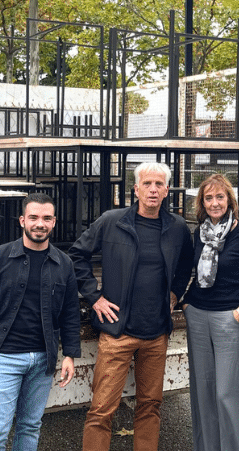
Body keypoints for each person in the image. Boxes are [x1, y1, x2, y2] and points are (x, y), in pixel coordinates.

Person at [70, 162, 193, 450]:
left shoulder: (177, 227)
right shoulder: (112, 221)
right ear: (135, 189)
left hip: (157, 332)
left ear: (166, 191)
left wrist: (176, 292)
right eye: (147, 184)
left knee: (150, 407)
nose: (153, 189)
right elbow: (77, 255)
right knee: (101, 410)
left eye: (159, 184)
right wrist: (94, 296)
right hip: (117, 333)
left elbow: (187, 263)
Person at [0, 192, 80, 450]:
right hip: (3, 357)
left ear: (54, 222)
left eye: (47, 218)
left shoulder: (63, 263)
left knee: (30, 427)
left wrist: (70, 354)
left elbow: (70, 313)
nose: (40, 223)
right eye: (34, 217)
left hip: (43, 359)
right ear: (22, 220)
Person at [181, 174, 239, 451]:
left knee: (225, 394)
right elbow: (192, 271)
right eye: (209, 198)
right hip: (197, 315)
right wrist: (185, 303)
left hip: (230, 317)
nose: (215, 202)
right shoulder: (200, 232)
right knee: (202, 393)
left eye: (220, 197)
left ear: (230, 200)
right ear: (202, 203)